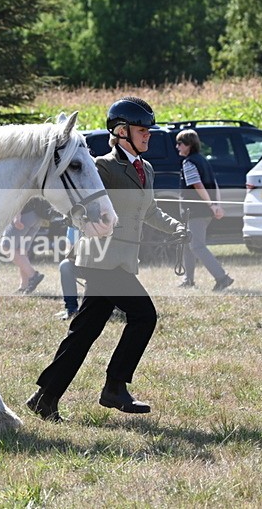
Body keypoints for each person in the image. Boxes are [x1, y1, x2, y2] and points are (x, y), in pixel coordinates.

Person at [26, 97, 189, 422]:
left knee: (84, 331)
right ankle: (114, 387)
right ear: (121, 131)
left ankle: (44, 398)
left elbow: (150, 211)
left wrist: (176, 228)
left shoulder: (148, 169)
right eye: (142, 130)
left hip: (121, 260)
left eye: (148, 131)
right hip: (100, 258)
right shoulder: (103, 166)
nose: (148, 135)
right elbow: (82, 203)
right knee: (144, 315)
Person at [176, 129, 234, 291]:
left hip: (195, 212)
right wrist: (217, 205)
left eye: (180, 143)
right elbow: (214, 184)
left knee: (196, 246)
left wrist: (212, 205)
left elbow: (197, 185)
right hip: (201, 211)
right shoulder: (203, 160)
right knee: (187, 244)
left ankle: (222, 278)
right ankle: (189, 280)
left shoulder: (189, 163)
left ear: (188, 145)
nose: (177, 147)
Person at [1, 198, 46, 294]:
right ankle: (24, 286)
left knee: (6, 246)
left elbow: (19, 193)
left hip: (24, 214)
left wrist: (17, 214)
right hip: (36, 216)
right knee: (21, 251)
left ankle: (33, 275)